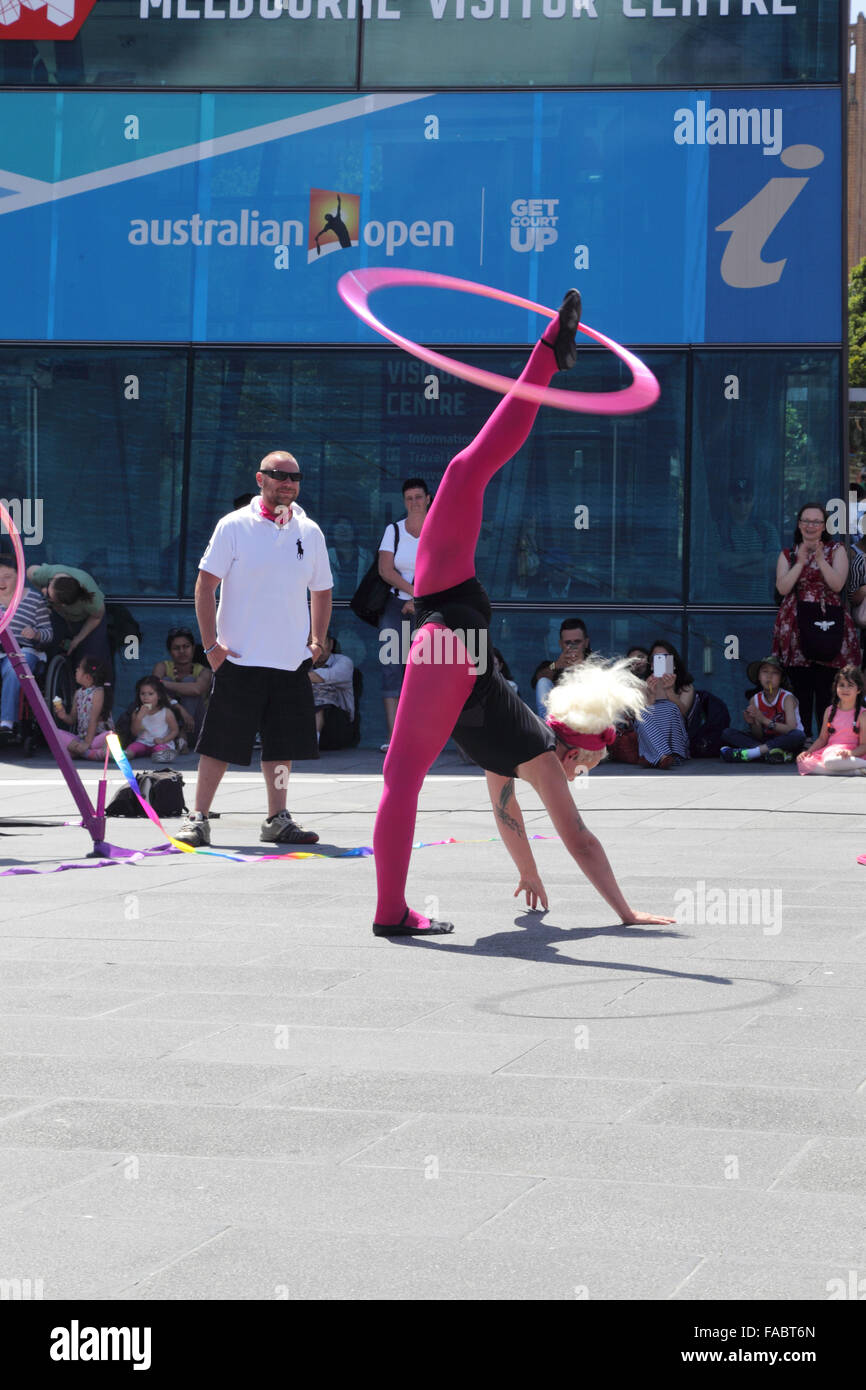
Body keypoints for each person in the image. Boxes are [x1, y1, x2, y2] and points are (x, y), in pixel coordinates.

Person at [371, 291, 674, 936]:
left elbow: (512, 817)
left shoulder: (519, 755)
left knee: (464, 471)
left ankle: (391, 912)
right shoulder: (525, 752)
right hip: (450, 635)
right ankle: (547, 355)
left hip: (444, 630)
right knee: (462, 471)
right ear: (571, 751)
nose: (580, 773)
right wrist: (624, 914)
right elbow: (574, 837)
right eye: (585, 764)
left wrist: (539, 874)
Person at [175, 450, 333, 848]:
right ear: (260, 479)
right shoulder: (234, 525)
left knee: (282, 747)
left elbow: (323, 590)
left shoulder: (309, 531)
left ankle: (277, 818)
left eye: (295, 477)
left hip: (289, 660)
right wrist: (210, 646)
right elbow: (205, 585)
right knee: (219, 742)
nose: (288, 483)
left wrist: (317, 640)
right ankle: (198, 816)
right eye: (280, 476)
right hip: (240, 657)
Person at [772, 502, 860, 737]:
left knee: (826, 687)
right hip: (796, 627)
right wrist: (800, 562)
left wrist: (820, 559)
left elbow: (837, 584)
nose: (811, 526)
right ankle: (803, 739)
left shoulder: (836, 549)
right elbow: (782, 588)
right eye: (806, 521)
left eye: (816, 522)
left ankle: (827, 739)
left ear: (824, 526)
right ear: (799, 524)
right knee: (800, 687)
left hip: (828, 624)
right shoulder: (787, 554)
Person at [377, 477, 432, 751]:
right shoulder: (394, 530)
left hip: (431, 608)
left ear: (428, 499)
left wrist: (420, 599)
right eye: (409, 498)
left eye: (418, 497)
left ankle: (422, 737)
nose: (414, 503)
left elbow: (443, 567)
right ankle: (395, 738)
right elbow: (385, 570)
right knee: (391, 669)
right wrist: (413, 593)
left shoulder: (438, 529)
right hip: (396, 606)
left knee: (425, 670)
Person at [0, 556, 53, 743]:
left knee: (14, 670)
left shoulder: (33, 600)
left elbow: (48, 633)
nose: (2, 581)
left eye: (7, 576)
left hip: (24, 650)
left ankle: (6, 722)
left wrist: (36, 634)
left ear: (19, 577)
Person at [719, 655, 806, 764]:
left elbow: (791, 729)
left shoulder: (787, 698)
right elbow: (758, 735)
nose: (769, 677)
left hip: (787, 740)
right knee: (727, 733)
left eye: (774, 673)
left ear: (781, 678)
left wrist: (763, 719)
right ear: (759, 676)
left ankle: (753, 754)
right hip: (767, 741)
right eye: (765, 672)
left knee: (798, 735)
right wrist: (753, 723)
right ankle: (773, 754)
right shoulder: (754, 700)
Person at [25, 562, 111, 667]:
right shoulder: (49, 574)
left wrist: (78, 639)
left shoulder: (92, 599)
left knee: (92, 657)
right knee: (47, 642)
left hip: (88, 618)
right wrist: (41, 588)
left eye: (48, 594)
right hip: (58, 614)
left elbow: (96, 617)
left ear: (62, 604)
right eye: (48, 585)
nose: (45, 590)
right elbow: (30, 571)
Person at [716, 476, 781, 602]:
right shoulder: (718, 529)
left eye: (747, 499)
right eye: (737, 500)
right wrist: (758, 556)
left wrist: (739, 570)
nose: (742, 504)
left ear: (753, 501)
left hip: (759, 606)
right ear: (729, 501)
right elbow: (720, 560)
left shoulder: (765, 529)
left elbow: (775, 563)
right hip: (726, 607)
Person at [796, 666, 866, 775]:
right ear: (836, 687)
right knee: (803, 762)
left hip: (853, 754)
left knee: (830, 762)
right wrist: (808, 752)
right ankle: (856, 771)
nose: (845, 689)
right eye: (841, 685)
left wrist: (850, 753)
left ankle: (859, 766)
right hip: (832, 752)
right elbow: (822, 739)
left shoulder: (862, 714)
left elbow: (864, 745)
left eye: (850, 685)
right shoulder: (829, 711)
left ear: (859, 690)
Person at [637, 640, 694, 768]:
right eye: (657, 659)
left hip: (676, 742)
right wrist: (650, 696)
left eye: (665, 659)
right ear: (651, 665)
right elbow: (641, 720)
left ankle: (655, 757)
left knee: (670, 707)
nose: (661, 662)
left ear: (673, 664)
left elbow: (683, 714)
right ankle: (662, 756)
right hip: (653, 743)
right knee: (642, 713)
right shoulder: (643, 686)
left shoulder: (685, 687)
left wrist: (670, 692)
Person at [152, 627, 211, 744]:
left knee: (189, 681)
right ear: (170, 651)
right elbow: (153, 690)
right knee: (163, 683)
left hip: (196, 727)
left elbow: (197, 689)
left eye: (186, 647)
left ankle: (182, 736)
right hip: (166, 731)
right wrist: (180, 709)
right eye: (176, 648)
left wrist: (163, 683)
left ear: (193, 648)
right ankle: (179, 736)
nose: (182, 651)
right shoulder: (162, 667)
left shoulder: (204, 671)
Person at [53, 657, 113, 760]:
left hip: (96, 738)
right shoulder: (78, 693)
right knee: (54, 732)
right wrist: (63, 716)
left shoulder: (98, 692)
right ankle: (90, 753)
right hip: (81, 739)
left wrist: (87, 743)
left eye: (79, 668)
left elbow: (93, 720)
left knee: (110, 736)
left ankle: (81, 751)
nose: (76, 670)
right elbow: (72, 719)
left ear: (87, 677)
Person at [530, 617, 591, 716]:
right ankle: (548, 727)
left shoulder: (596, 665)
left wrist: (582, 668)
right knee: (543, 682)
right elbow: (536, 682)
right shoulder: (553, 665)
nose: (572, 646)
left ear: (586, 643)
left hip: (588, 721)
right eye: (568, 643)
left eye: (577, 642)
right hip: (557, 720)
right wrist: (557, 665)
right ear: (561, 644)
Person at [309, 632, 356, 750]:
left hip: (337, 724)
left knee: (322, 694)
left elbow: (326, 676)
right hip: (305, 717)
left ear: (330, 644)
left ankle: (313, 740)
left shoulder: (344, 661)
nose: (315, 648)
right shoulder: (303, 664)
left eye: (319, 643)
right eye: (310, 644)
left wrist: (293, 675)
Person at [124, 676, 181, 762]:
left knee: (161, 749)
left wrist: (163, 740)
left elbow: (175, 731)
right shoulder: (137, 712)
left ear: (159, 696)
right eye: (142, 694)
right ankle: (125, 755)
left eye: (150, 694)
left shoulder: (166, 712)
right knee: (133, 747)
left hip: (160, 742)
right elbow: (134, 732)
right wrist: (139, 717)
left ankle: (162, 756)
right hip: (143, 742)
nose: (146, 697)